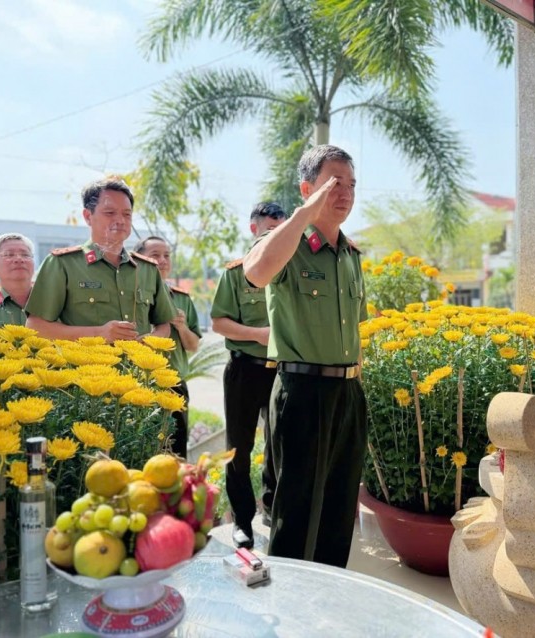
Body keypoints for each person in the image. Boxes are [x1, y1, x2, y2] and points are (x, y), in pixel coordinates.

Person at [243, 145, 367, 567]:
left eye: (351, 184)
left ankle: (329, 604)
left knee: (338, 510)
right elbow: (257, 273)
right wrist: (304, 214)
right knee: (296, 513)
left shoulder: (351, 256)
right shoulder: (288, 243)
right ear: (307, 188)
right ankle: (287, 609)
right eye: (334, 183)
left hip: (348, 392)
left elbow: (356, 328)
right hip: (302, 391)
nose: (345, 192)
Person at [211, 202, 288, 549]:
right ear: (253, 229)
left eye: (280, 230)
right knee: (238, 449)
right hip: (245, 369)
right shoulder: (236, 273)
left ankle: (274, 512)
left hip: (284, 372)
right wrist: (258, 334)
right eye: (268, 229)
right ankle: (242, 521)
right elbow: (219, 321)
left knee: (281, 446)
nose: (274, 236)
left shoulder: (291, 272)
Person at [25, 177, 175, 342]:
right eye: (110, 213)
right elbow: (35, 327)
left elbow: (164, 324)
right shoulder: (62, 264)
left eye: (127, 214)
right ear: (88, 216)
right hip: (85, 367)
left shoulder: (147, 269)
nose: (120, 220)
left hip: (138, 367)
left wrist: (149, 343)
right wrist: (98, 333)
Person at [133, 236, 201, 457]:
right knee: (141, 449)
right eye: (155, 255)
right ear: (141, 260)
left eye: (166, 255)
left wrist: (181, 328)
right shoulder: (132, 297)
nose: (162, 261)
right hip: (141, 383)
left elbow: (193, 346)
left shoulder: (181, 299)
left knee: (176, 450)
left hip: (174, 383)